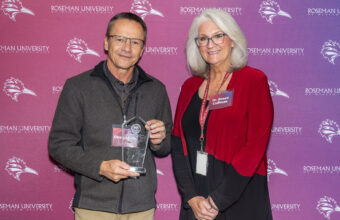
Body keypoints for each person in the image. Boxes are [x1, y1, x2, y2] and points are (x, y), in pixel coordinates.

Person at [48, 12, 172, 220]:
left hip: (141, 208)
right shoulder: (78, 87)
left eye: (135, 41)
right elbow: (59, 145)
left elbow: (166, 146)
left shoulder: (156, 89)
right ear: (106, 42)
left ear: (142, 49)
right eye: (120, 39)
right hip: (94, 206)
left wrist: (159, 140)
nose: (127, 48)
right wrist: (100, 167)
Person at [171, 9, 274, 220]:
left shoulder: (253, 81)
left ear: (233, 40)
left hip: (239, 200)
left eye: (218, 35)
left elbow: (255, 147)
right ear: (196, 45)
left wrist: (216, 201)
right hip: (197, 203)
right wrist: (191, 197)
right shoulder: (189, 86)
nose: (211, 44)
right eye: (203, 38)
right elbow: (177, 141)